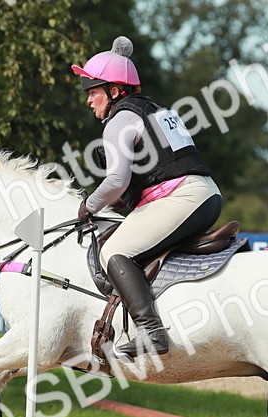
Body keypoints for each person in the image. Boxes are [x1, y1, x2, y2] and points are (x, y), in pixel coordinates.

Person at [71, 36, 222, 360]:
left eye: (93, 91)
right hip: (205, 194)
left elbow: (115, 180)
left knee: (113, 250)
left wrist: (89, 206)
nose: (89, 100)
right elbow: (154, 170)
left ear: (114, 91)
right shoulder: (158, 110)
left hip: (182, 198)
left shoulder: (119, 120)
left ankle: (152, 332)